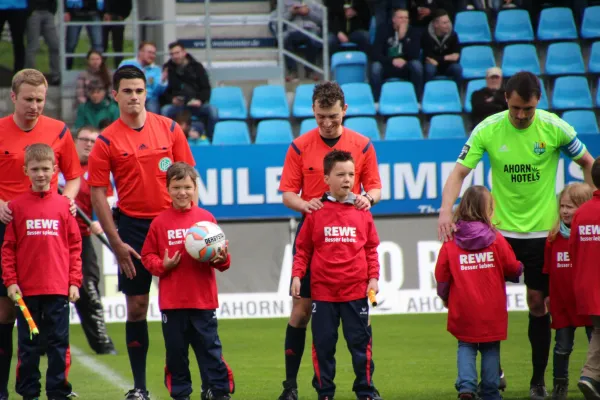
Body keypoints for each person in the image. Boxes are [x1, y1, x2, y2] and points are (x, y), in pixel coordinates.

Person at [438, 71, 595, 400]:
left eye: (528, 109)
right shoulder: (489, 129)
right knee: (483, 301)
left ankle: (537, 380)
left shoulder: (555, 127)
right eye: (516, 109)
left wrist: (592, 204)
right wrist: (443, 210)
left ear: (538, 102)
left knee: (538, 304)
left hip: (542, 235)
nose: (522, 116)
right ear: (506, 99)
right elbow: (459, 173)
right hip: (498, 236)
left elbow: (589, 163)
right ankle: (494, 368)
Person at [87, 65, 196, 400]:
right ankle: (140, 386)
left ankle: (180, 378)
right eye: (127, 91)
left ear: (146, 92)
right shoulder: (106, 141)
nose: (134, 97)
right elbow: (98, 194)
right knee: (136, 306)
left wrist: (194, 225)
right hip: (132, 228)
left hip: (171, 224)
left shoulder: (170, 129)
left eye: (139, 90)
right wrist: (116, 242)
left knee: (180, 305)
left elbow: (189, 179)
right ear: (115, 94)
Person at [277, 81, 382, 400]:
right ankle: (291, 385)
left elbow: (375, 187)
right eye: (321, 116)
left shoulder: (362, 145)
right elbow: (287, 194)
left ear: (344, 111)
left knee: (353, 329)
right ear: (313, 111)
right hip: (314, 235)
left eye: (333, 117)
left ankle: (361, 386)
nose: (326, 123)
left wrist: (368, 199)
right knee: (301, 311)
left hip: (348, 234)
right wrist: (305, 205)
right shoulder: (299, 146)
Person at [0, 68, 82, 400]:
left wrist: (69, 201)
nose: (35, 106)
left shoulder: (59, 130)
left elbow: (74, 176)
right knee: (5, 311)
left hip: (49, 223)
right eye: (29, 99)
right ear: (13, 97)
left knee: (50, 321)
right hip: (7, 222)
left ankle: (56, 387)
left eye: (40, 100)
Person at [291, 150, 381, 400]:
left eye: (351, 174)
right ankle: (325, 393)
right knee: (323, 347)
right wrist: (297, 275)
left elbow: (371, 248)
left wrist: (374, 278)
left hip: (356, 291)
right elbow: (303, 249)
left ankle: (365, 390)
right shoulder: (316, 211)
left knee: (361, 346)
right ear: (326, 178)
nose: (347, 179)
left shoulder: (363, 210)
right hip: (324, 293)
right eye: (340, 174)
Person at [141, 162, 235, 400]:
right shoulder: (160, 222)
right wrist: (164, 266)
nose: (182, 192)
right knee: (176, 353)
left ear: (195, 188)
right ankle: (181, 393)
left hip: (203, 301)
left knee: (210, 351)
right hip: (172, 304)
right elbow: (147, 257)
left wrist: (220, 259)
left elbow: (223, 261)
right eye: (176, 187)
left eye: (187, 187)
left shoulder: (206, 219)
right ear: (167, 189)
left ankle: (218, 391)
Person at [435, 185, 523, 400]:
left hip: (463, 305)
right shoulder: (495, 239)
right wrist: (520, 267)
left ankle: (466, 387)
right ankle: (491, 391)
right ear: (488, 210)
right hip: (492, 306)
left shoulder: (451, 240)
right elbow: (512, 266)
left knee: (466, 345)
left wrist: (445, 296)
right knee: (490, 348)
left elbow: (442, 275)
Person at [64, 126, 117, 355]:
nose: (88, 144)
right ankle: (42, 344)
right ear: (75, 141)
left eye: (94, 141)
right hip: (51, 238)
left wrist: (101, 222)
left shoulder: (100, 170)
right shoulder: (60, 167)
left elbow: (110, 202)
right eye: (84, 139)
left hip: (82, 238)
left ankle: (102, 344)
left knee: (90, 291)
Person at [543, 183, 594, 399]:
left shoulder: (589, 236)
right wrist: (547, 295)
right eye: (562, 206)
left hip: (587, 301)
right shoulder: (553, 238)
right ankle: (560, 384)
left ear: (582, 207)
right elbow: (547, 271)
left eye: (570, 207)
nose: (565, 211)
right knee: (562, 347)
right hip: (562, 303)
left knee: (595, 345)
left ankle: (594, 380)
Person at [568, 158, 600, 400]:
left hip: (586, 285)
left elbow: (573, 250)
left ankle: (590, 377)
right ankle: (589, 376)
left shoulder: (582, 212)